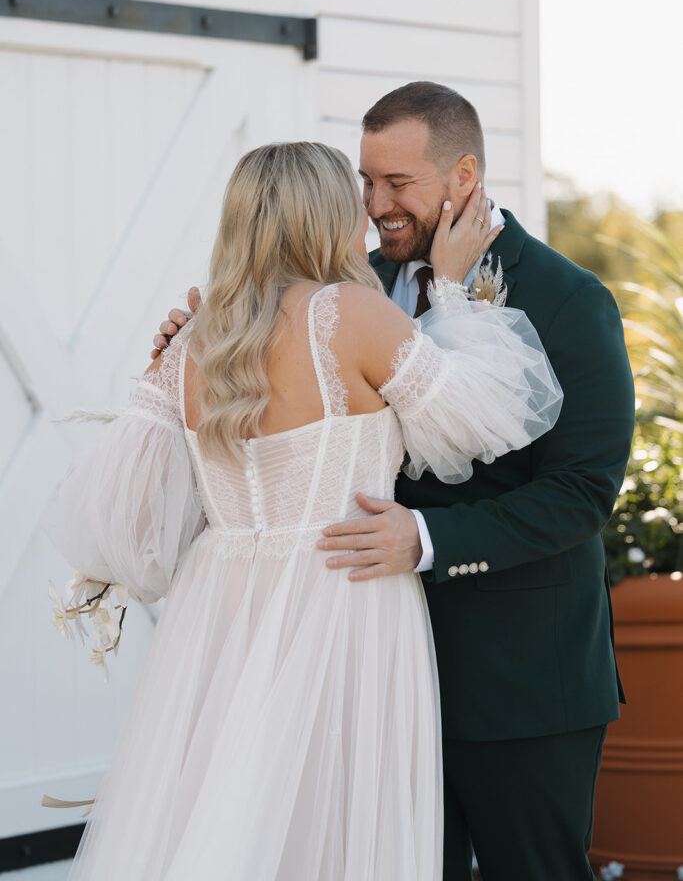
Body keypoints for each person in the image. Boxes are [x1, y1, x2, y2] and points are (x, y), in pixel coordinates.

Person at [43, 141, 562, 880]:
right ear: (323, 216)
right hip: (341, 592)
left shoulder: (192, 337)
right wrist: (448, 292)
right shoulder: (349, 313)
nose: (367, 215)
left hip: (217, 607)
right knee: (335, 824)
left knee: (224, 810)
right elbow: (480, 421)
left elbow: (127, 516)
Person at [155, 84, 635, 881]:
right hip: (363, 668)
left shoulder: (569, 299)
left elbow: (581, 491)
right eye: (364, 181)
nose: (375, 205)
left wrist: (428, 537)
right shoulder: (349, 290)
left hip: (517, 676)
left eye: (397, 184)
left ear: (464, 176)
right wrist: (195, 342)